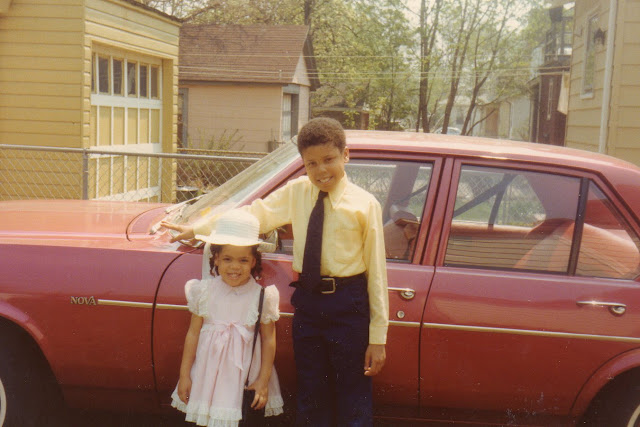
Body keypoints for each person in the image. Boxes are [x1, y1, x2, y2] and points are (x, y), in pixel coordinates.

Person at [164, 117, 388, 426]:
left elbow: (377, 273)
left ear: (345, 155)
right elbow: (253, 215)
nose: (321, 170)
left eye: (329, 160)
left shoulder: (365, 204)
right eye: (311, 164)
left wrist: (378, 338)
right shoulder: (297, 192)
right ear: (303, 164)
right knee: (311, 389)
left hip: (349, 304)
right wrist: (199, 228)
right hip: (309, 303)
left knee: (353, 392)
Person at [170, 209, 284, 426]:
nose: (234, 267)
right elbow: (193, 334)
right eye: (227, 259)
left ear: (253, 261)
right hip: (208, 378)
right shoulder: (203, 291)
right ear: (216, 259)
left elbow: (269, 339)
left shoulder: (262, 296)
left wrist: (263, 380)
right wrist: (184, 375)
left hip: (245, 377)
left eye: (243, 260)